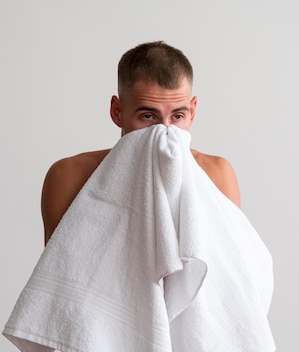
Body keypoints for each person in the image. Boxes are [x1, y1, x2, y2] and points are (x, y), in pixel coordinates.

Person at [40, 41, 241, 245]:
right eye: (148, 116)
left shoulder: (216, 174)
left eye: (178, 116)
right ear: (117, 112)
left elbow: (231, 269)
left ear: (192, 112)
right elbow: (59, 273)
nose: (164, 131)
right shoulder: (69, 177)